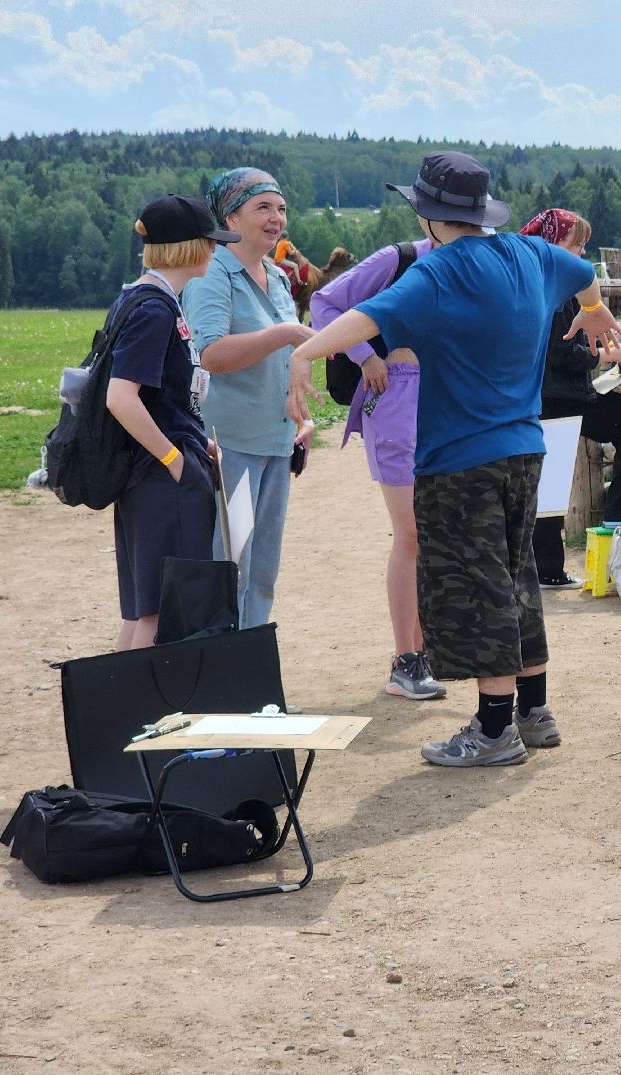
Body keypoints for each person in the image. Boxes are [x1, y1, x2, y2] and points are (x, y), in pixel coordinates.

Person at [288, 150, 621, 768]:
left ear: (430, 216)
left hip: (459, 459)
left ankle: (494, 730)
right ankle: (534, 710)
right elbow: (580, 270)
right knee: (518, 572)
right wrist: (594, 308)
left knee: (477, 585)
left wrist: (303, 354)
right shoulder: (533, 255)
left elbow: (363, 317)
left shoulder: (439, 272)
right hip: (525, 448)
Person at [309, 236, 445, 700]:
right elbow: (324, 304)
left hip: (452, 402)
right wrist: (364, 356)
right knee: (411, 533)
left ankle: (428, 649)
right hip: (399, 398)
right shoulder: (399, 258)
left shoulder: (478, 259)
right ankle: (405, 659)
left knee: (438, 531)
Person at [183, 168, 316, 629]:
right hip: (231, 447)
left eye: (280, 208)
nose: (276, 217)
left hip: (276, 445)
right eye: (263, 207)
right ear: (230, 216)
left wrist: (298, 416)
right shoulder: (213, 273)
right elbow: (212, 354)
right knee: (231, 566)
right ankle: (223, 678)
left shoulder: (277, 277)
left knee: (262, 571)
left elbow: (286, 358)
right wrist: (286, 332)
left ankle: (252, 670)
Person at [106, 194, 240, 650]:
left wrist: (195, 440)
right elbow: (120, 398)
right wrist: (172, 457)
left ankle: (120, 710)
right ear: (190, 246)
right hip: (161, 480)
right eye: (211, 241)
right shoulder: (154, 308)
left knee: (143, 609)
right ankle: (141, 713)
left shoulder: (147, 298)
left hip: (153, 475)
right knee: (161, 610)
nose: (215, 250)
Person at [519, 209, 621, 588]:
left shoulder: (535, 279)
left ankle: (546, 569)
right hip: (561, 396)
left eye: (582, 244)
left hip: (544, 395)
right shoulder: (558, 287)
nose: (580, 252)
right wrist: (607, 357)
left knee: (547, 481)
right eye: (573, 243)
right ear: (552, 244)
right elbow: (562, 352)